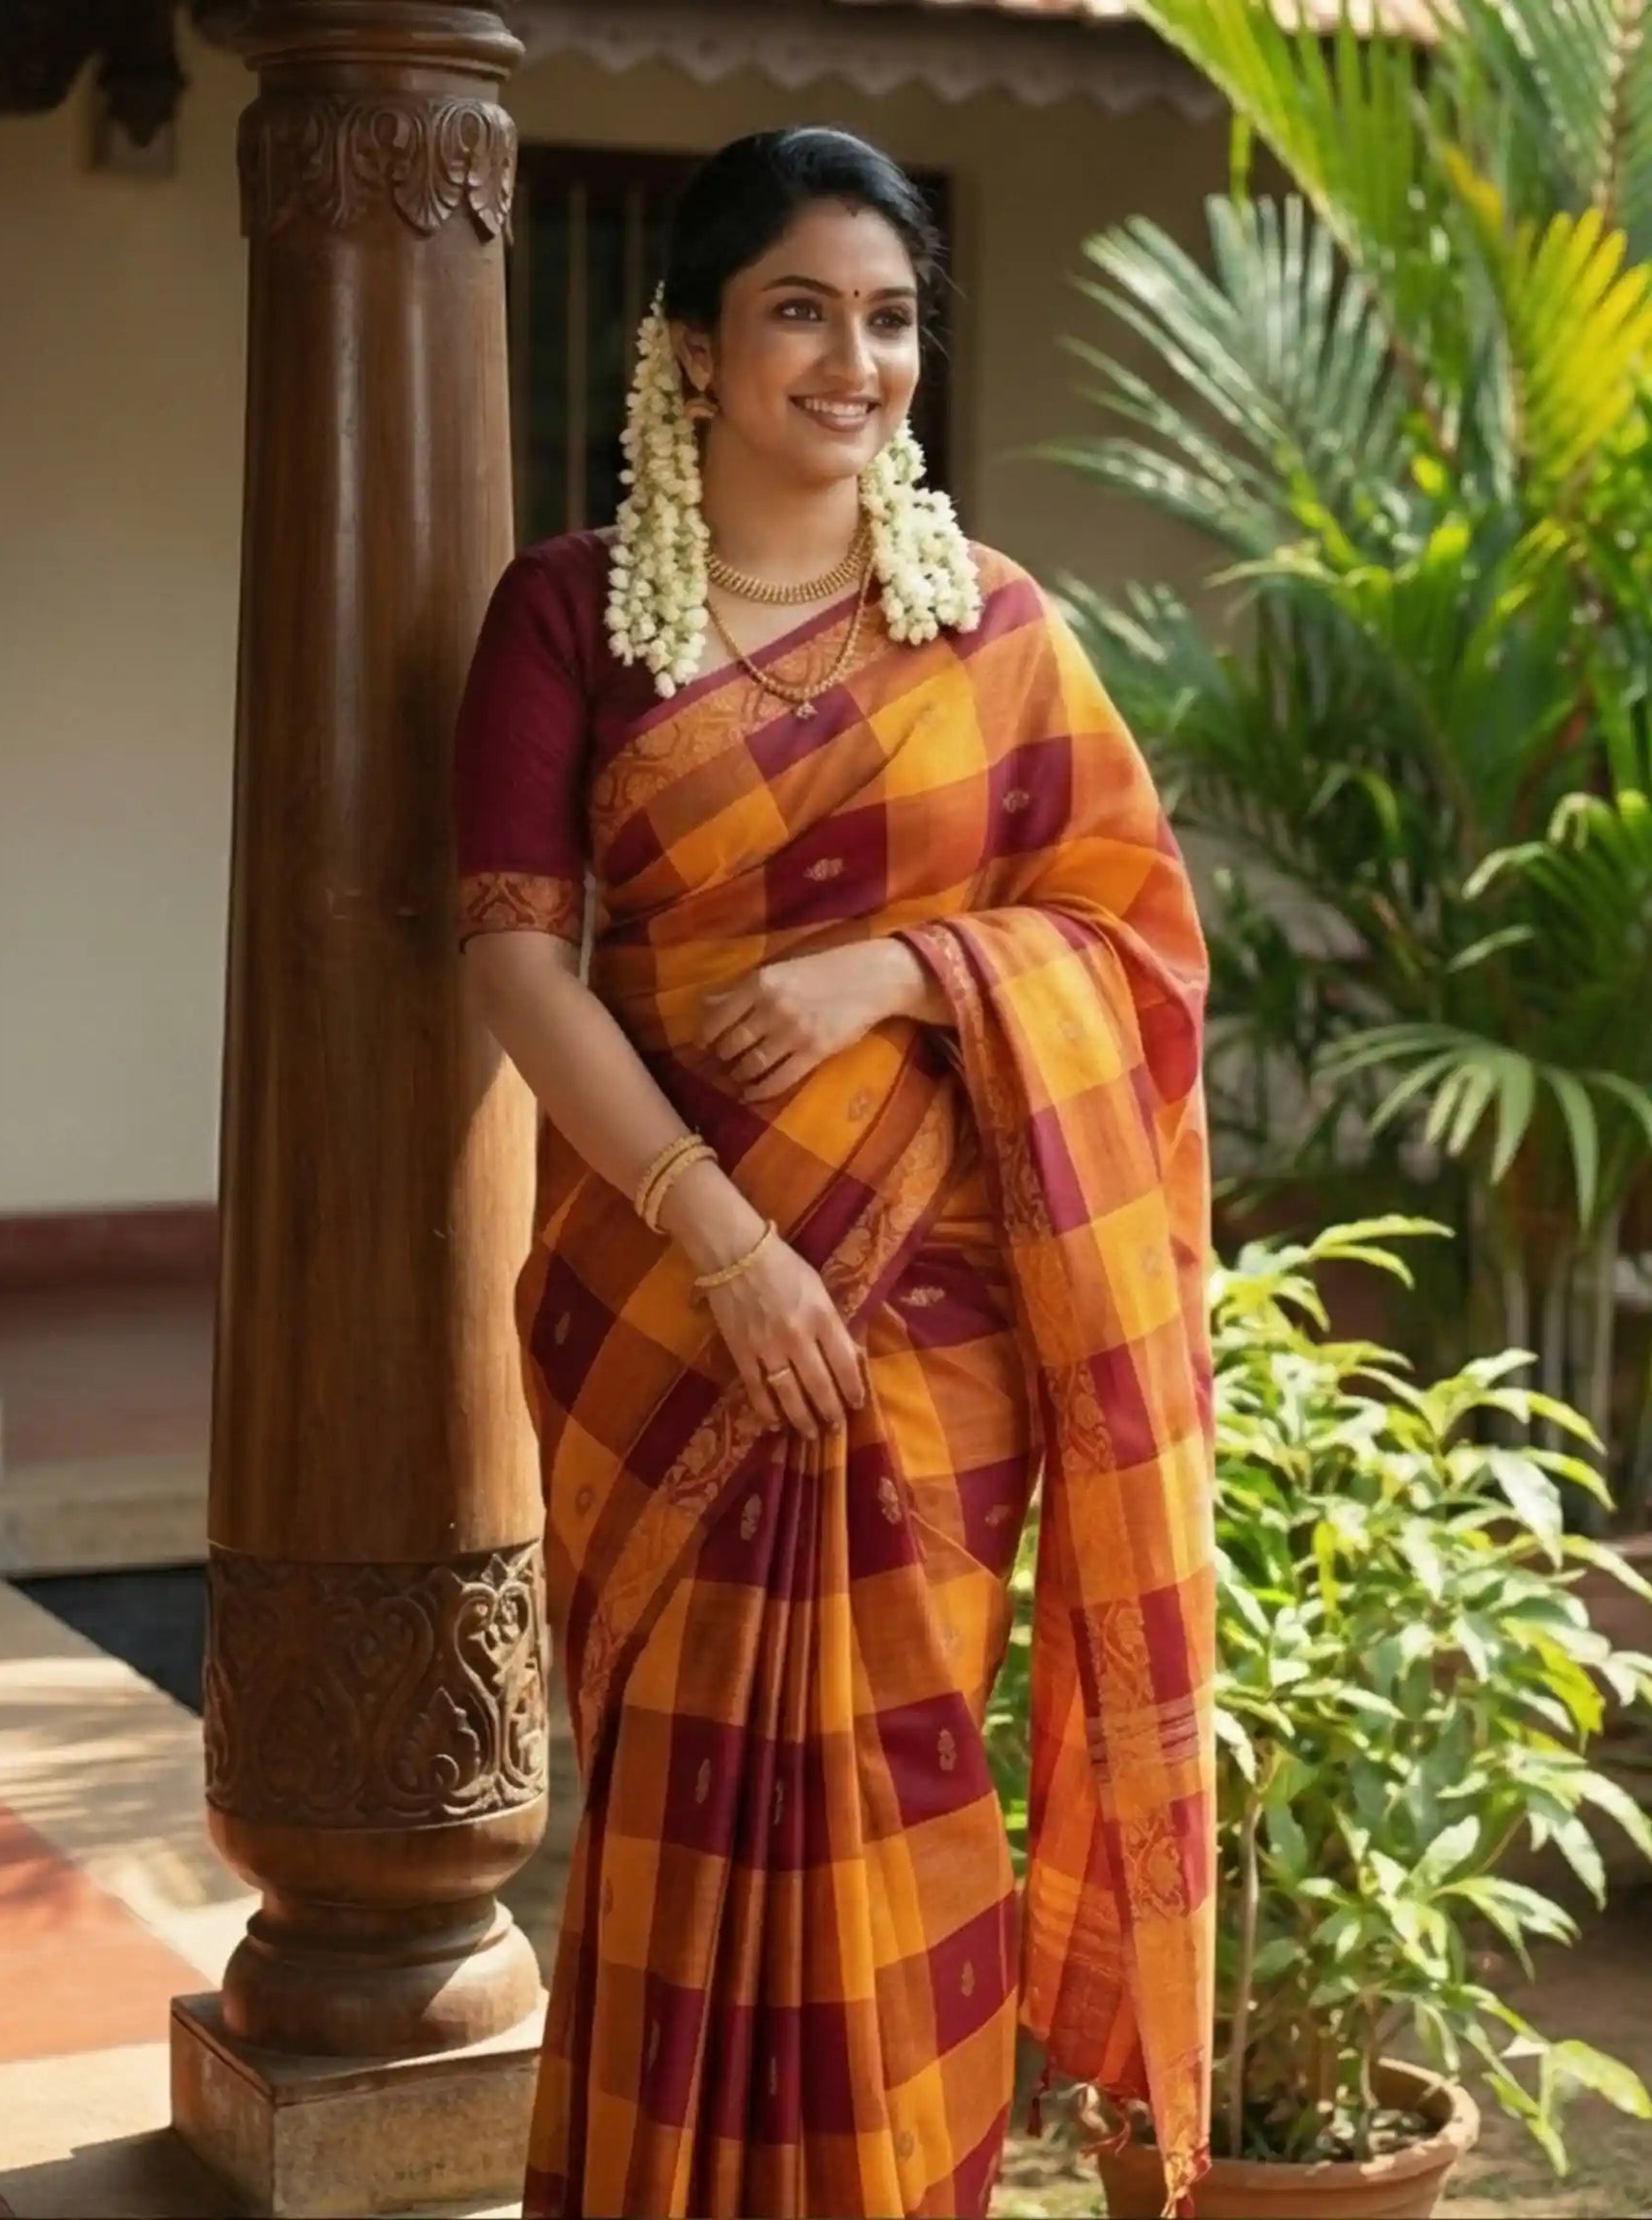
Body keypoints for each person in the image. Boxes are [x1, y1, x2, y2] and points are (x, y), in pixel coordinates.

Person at [453, 127, 1217, 2220]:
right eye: (798, 308)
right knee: (674, 1801)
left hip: (928, 1332)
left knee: (894, 1792)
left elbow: (1135, 951)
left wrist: (910, 964)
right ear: (691, 347)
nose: (850, 360)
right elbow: (517, 955)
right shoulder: (567, 617)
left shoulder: (994, 636)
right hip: (667, 1309)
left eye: (886, 319)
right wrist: (718, 1243)